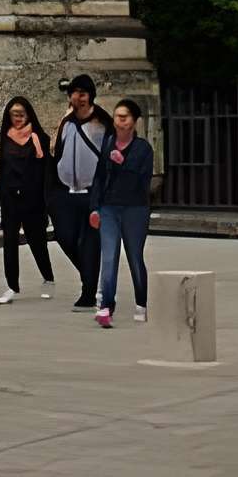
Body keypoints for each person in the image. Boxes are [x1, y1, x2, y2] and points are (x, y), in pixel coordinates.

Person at [89, 97, 152, 328]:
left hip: (135, 208)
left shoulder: (143, 148)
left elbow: (142, 182)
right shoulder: (108, 143)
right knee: (109, 257)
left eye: (124, 117)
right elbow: (99, 177)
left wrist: (122, 163)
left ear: (134, 121)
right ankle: (106, 305)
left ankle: (141, 303)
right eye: (117, 116)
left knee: (135, 256)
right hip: (109, 207)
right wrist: (94, 207)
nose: (119, 121)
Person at [49, 74, 107, 311]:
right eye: (75, 93)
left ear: (90, 96)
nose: (78, 98)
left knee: (91, 243)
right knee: (64, 236)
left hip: (94, 192)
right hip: (66, 191)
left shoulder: (102, 122)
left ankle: (88, 290)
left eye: (83, 93)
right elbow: (58, 152)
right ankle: (89, 274)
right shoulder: (67, 122)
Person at [0, 95, 56, 304]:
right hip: (10, 197)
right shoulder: (6, 136)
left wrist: (46, 202)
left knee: (37, 241)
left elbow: (46, 172)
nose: (17, 118)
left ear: (28, 115)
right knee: (9, 241)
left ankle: (48, 278)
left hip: (32, 198)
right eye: (13, 114)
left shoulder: (39, 138)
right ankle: (11, 286)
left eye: (21, 114)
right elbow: (3, 169)